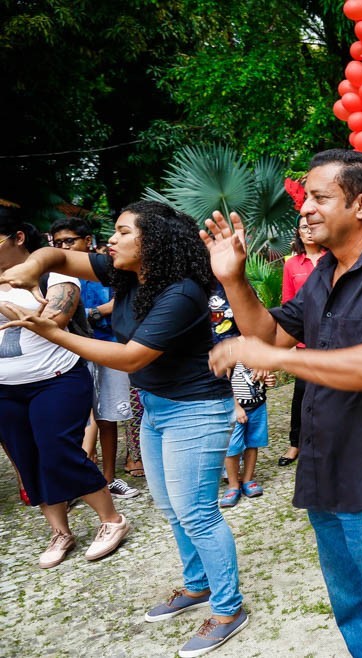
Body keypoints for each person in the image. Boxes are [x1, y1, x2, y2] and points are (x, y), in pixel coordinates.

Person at [201, 149, 362, 657]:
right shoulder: (324, 273)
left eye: (319, 197)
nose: (305, 209)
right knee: (356, 613)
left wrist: (281, 359)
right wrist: (233, 279)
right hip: (325, 471)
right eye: (305, 199)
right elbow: (268, 332)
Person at [0, 201, 248, 657]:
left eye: (121, 232)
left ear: (151, 242)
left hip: (195, 411)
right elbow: (57, 257)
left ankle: (230, 609)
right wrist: (33, 265)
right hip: (156, 407)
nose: (109, 241)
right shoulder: (125, 274)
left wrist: (52, 332)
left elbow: (132, 356)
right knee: (173, 509)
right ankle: (197, 587)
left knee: (197, 513)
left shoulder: (183, 291)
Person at [0, 210, 130, 569]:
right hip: (6, 388)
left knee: (58, 450)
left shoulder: (53, 273)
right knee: (28, 459)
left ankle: (111, 519)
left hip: (56, 379)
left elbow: (53, 320)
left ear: (18, 238)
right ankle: (60, 531)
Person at [50, 216, 139, 498]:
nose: (64, 247)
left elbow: (121, 300)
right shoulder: (53, 274)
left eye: (69, 241)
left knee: (107, 417)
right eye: (58, 243)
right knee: (75, 418)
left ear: (87, 241)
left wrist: (94, 312)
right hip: (69, 353)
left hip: (110, 346)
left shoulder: (110, 265)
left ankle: (109, 478)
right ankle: (81, 482)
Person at [208, 282, 274, 507]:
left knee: (253, 442)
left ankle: (248, 479)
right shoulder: (229, 349)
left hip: (258, 402)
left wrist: (269, 378)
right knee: (233, 447)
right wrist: (235, 407)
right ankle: (233, 483)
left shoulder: (256, 347)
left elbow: (266, 373)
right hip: (238, 406)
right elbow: (226, 381)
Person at [278, 216, 327, 467]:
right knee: (301, 394)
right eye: (303, 228)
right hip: (303, 339)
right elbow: (288, 303)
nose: (309, 232)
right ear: (298, 232)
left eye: (312, 226)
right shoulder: (292, 265)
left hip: (331, 337)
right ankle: (295, 443)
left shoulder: (333, 260)